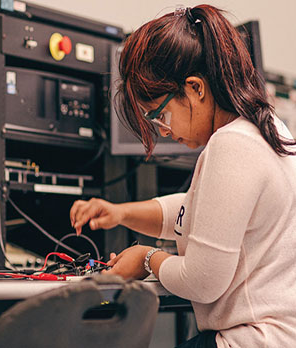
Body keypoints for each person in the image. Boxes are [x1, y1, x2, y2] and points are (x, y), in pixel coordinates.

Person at [69, 4, 296, 348]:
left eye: (159, 115)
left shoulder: (231, 145)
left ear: (195, 88)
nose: (163, 130)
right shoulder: (266, 131)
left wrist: (146, 258)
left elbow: (202, 281)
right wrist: (122, 213)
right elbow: (202, 212)